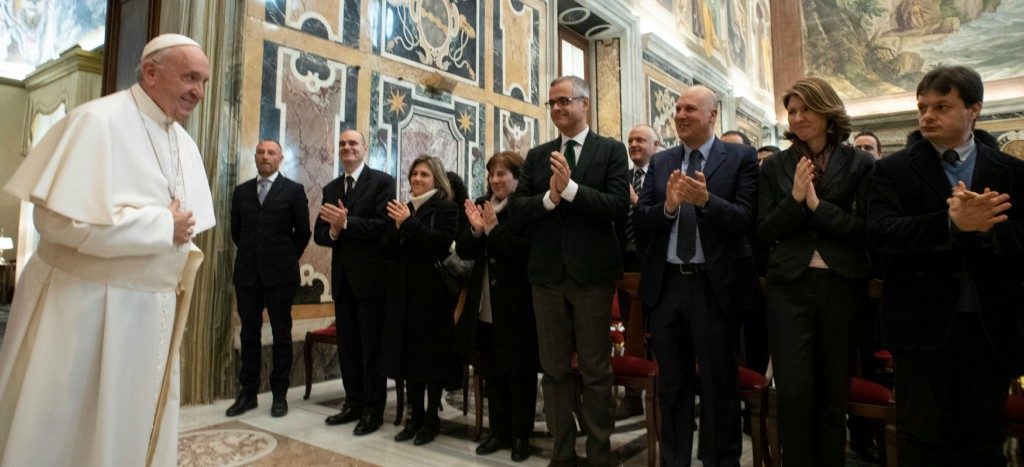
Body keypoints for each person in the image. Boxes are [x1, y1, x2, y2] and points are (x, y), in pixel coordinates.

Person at [0, 34, 214, 466]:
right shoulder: (96, 122)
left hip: (150, 314)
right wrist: (159, 225)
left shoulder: (184, 142)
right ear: (150, 72)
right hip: (88, 310)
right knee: (74, 429)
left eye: (205, 81)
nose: (199, 92)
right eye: (190, 77)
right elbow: (56, 222)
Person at [867, 65, 1024, 466]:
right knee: (921, 439)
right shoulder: (893, 169)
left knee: (982, 440)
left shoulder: (1012, 172)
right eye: (922, 107)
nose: (927, 116)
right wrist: (949, 224)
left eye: (942, 106)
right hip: (920, 327)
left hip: (991, 327)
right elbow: (881, 234)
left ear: (974, 109)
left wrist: (987, 229)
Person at [635, 85, 759, 466]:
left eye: (690, 108)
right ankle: (674, 460)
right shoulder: (661, 162)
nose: (681, 115)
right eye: (677, 108)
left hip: (714, 286)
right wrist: (669, 208)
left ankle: (720, 460)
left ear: (712, 115)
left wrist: (706, 202)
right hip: (668, 285)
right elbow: (642, 220)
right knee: (672, 385)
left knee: (719, 384)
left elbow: (746, 220)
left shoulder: (739, 157)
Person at [509, 75, 628, 466]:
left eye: (565, 101)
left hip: (592, 278)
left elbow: (616, 207)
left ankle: (598, 454)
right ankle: (561, 453)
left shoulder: (610, 150)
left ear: (585, 103)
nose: (558, 108)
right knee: (554, 370)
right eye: (552, 103)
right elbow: (518, 212)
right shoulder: (537, 155)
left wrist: (572, 190)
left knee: (595, 372)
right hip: (546, 277)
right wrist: (550, 196)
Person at [757, 77, 875, 466]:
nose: (798, 117)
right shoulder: (776, 166)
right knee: (792, 394)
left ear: (827, 110)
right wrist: (794, 200)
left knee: (831, 394)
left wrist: (816, 206)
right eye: (792, 111)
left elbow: (865, 232)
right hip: (789, 287)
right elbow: (764, 230)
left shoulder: (859, 163)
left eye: (806, 108)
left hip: (840, 284)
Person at [454, 151, 538, 462]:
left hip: (517, 306)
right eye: (492, 174)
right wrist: (476, 229)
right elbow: (464, 249)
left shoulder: (524, 209)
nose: (495, 180)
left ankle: (520, 436)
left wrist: (492, 229)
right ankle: (498, 431)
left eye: (503, 174)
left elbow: (525, 254)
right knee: (492, 373)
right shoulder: (481, 203)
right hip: (484, 305)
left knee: (519, 375)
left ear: (518, 178)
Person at [315, 129, 396, 435]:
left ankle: (373, 411)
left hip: (373, 281)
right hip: (343, 281)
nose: (347, 147)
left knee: (371, 348)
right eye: (342, 144)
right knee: (348, 346)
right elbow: (319, 234)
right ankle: (353, 403)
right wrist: (334, 231)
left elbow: (384, 226)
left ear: (365, 149)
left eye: (353, 143)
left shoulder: (382, 182)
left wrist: (347, 223)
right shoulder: (331, 187)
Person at [379, 155, 459, 447]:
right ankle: (415, 417)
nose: (417, 179)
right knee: (409, 358)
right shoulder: (401, 209)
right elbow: (385, 248)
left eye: (424, 175)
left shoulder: (446, 208)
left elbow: (440, 244)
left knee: (432, 359)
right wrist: (399, 226)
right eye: (414, 174)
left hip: (433, 293)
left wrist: (409, 224)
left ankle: (432, 420)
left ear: (436, 180)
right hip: (403, 292)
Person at [227, 140, 311, 418]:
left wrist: (285, 256)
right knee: (248, 333)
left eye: (271, 152)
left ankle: (279, 395)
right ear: (255, 157)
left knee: (281, 334)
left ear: (280, 158)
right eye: (261, 152)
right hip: (248, 275)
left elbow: (303, 233)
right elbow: (236, 232)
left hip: (280, 276)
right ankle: (248, 393)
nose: (266, 156)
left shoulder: (294, 191)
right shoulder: (241, 192)